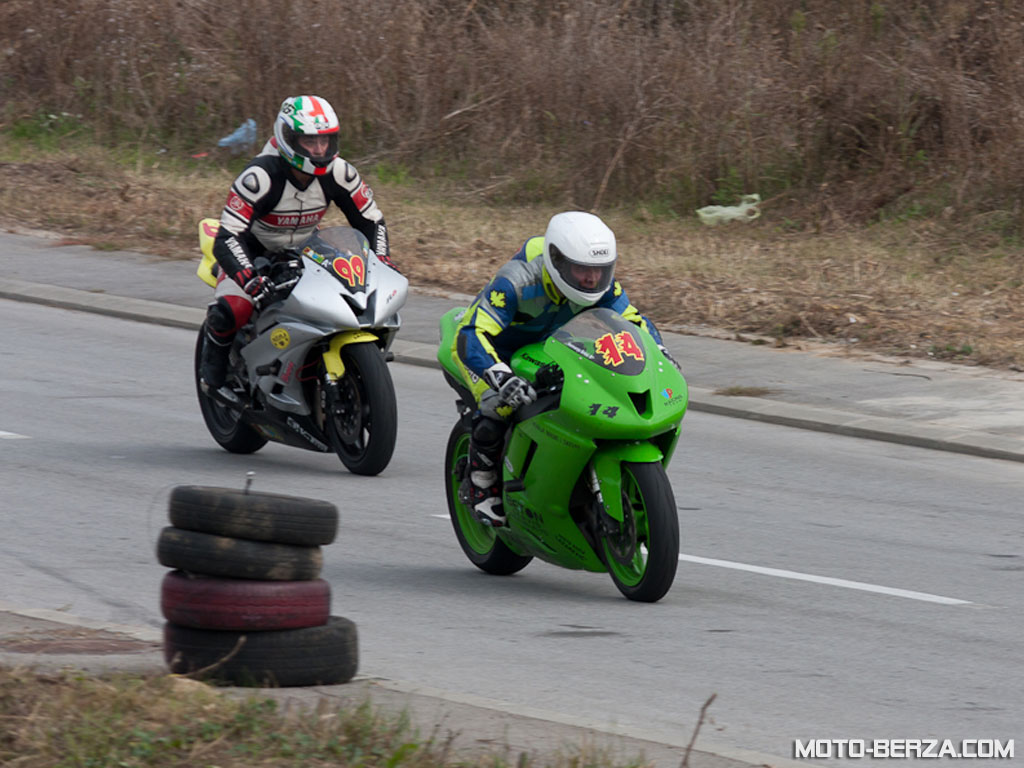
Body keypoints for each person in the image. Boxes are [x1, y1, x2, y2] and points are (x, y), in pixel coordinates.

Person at [452, 210, 674, 527]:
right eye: (582, 269)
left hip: (549, 343)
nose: (591, 279)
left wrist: (661, 353)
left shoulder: (603, 286)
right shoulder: (517, 281)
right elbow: (471, 335)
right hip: (493, 349)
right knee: (498, 405)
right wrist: (501, 378)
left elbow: (635, 323)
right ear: (556, 260)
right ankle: (479, 483)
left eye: (600, 270)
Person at [199, 95, 395, 390]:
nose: (319, 150)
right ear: (289, 139)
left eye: (325, 141)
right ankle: (212, 371)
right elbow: (228, 237)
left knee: (355, 299)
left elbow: (371, 221)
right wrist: (249, 278)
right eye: (309, 142)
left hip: (306, 248)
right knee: (233, 308)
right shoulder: (259, 176)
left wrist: (382, 261)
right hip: (251, 252)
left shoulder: (340, 172)